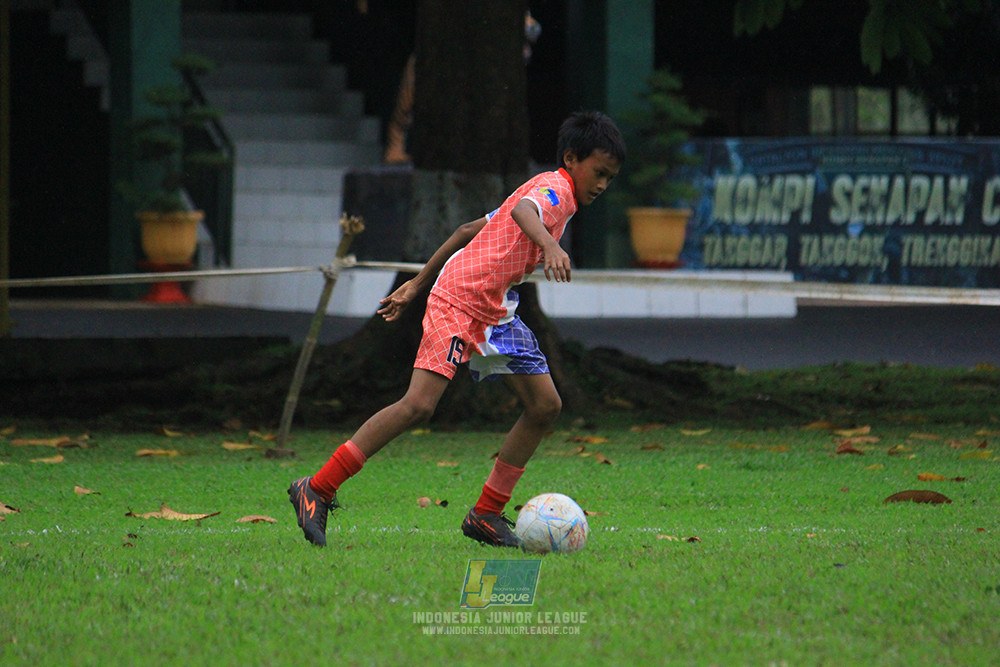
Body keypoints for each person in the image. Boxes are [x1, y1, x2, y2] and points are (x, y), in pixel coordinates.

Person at [288, 111, 626, 548]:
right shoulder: (554, 190)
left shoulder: (549, 192)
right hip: (459, 302)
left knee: (544, 405)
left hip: (494, 313)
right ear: (570, 158)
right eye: (598, 173)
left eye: (610, 178)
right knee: (418, 406)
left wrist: (414, 282)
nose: (602, 184)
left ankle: (485, 513)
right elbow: (525, 211)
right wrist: (549, 244)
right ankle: (317, 487)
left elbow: (469, 230)